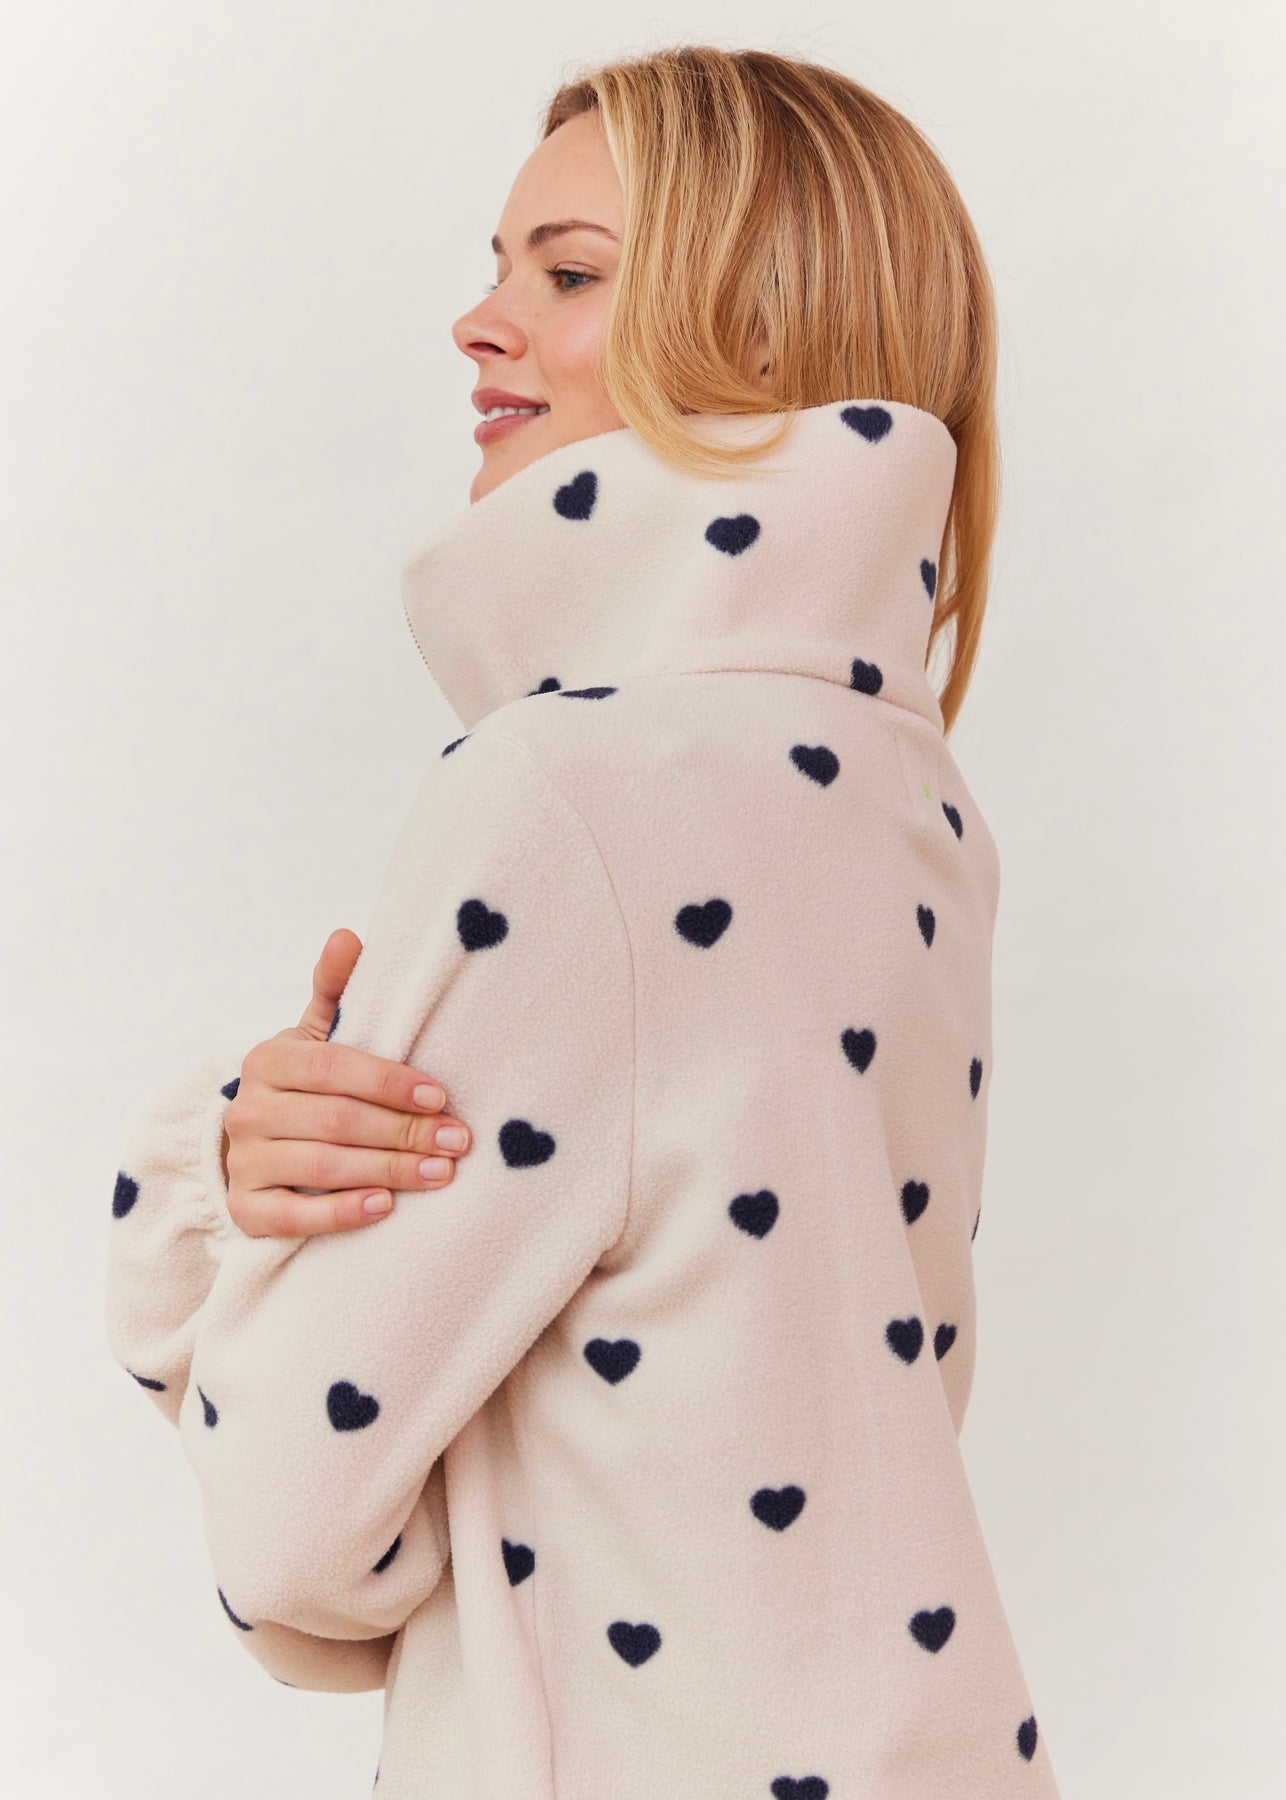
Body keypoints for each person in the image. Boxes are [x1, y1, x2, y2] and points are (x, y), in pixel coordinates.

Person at [105, 44, 1063, 1799]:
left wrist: (205, 1195)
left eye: (565, 274)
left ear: (753, 336)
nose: (478, 326)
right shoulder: (908, 798)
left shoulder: (571, 791)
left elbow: (299, 1539)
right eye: (500, 268)